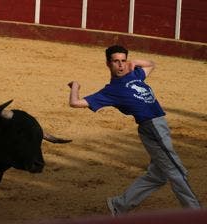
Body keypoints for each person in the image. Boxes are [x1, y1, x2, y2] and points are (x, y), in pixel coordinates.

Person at [67, 45, 201, 216]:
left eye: (124, 61)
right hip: (152, 128)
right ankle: (195, 214)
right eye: (116, 61)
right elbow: (75, 103)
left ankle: (120, 205)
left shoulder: (135, 75)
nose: (121, 65)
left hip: (160, 127)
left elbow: (151, 65)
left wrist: (135, 62)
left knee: (158, 175)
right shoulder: (111, 91)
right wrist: (75, 87)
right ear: (108, 64)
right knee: (177, 172)